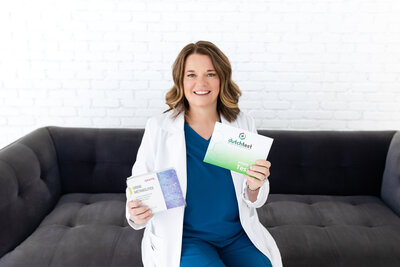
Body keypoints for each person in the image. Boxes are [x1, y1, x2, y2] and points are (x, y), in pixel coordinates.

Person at [126, 40, 282, 267]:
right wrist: (135, 213)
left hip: (236, 235)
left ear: (222, 78)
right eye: (191, 75)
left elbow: (254, 198)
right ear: (180, 80)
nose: (201, 82)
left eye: (210, 74)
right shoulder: (159, 127)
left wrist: (255, 186)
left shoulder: (242, 124)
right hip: (185, 238)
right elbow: (138, 187)